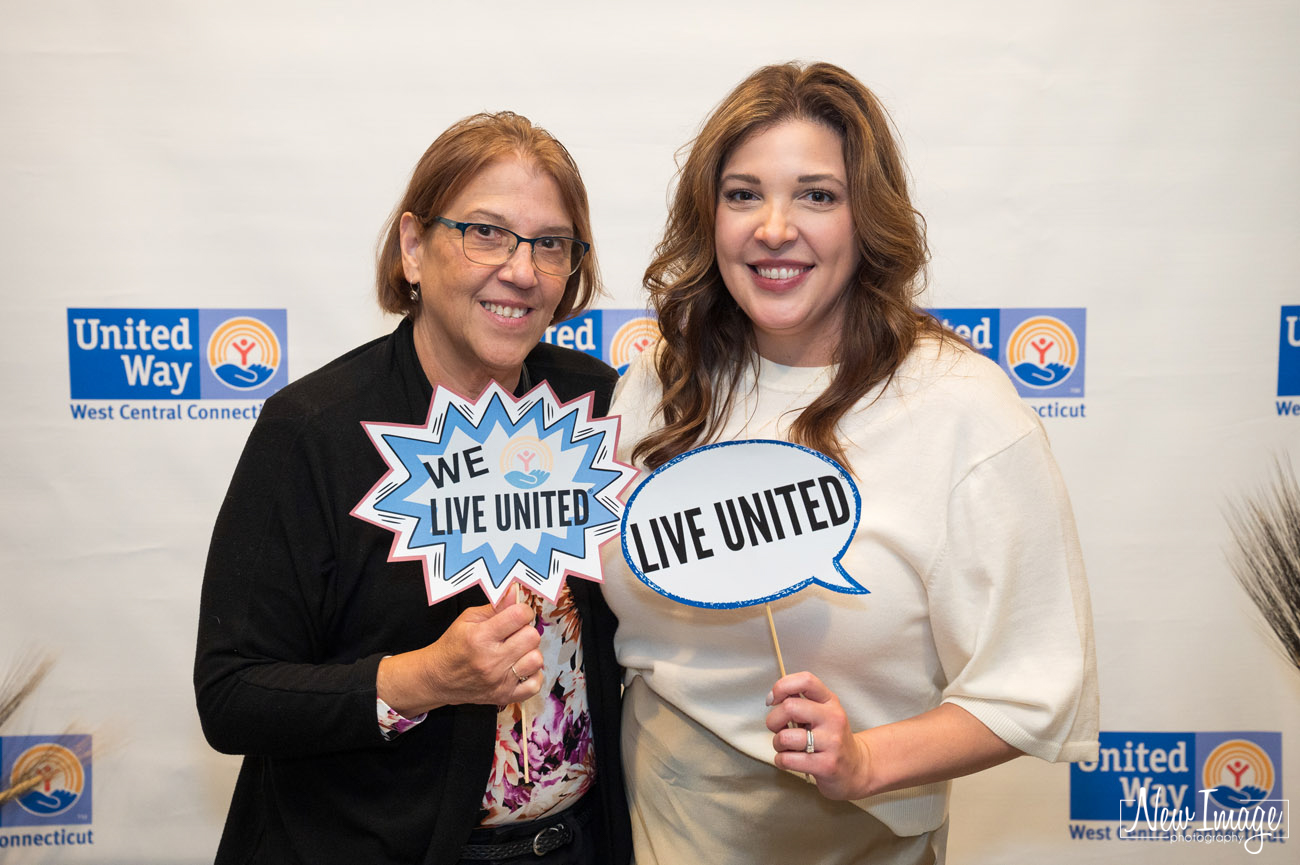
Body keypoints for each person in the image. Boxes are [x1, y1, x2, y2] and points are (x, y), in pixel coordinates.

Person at [601, 62, 1099, 864]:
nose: (773, 226)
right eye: (742, 193)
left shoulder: (962, 409)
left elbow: (1035, 690)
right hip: (662, 819)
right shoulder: (662, 377)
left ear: (868, 218)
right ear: (708, 214)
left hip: (861, 835)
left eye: (817, 195)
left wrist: (865, 758)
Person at [195, 112, 632, 865]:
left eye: (550, 243)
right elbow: (232, 694)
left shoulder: (594, 401)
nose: (522, 270)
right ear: (412, 248)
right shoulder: (315, 430)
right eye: (485, 232)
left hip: (576, 843)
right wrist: (423, 677)